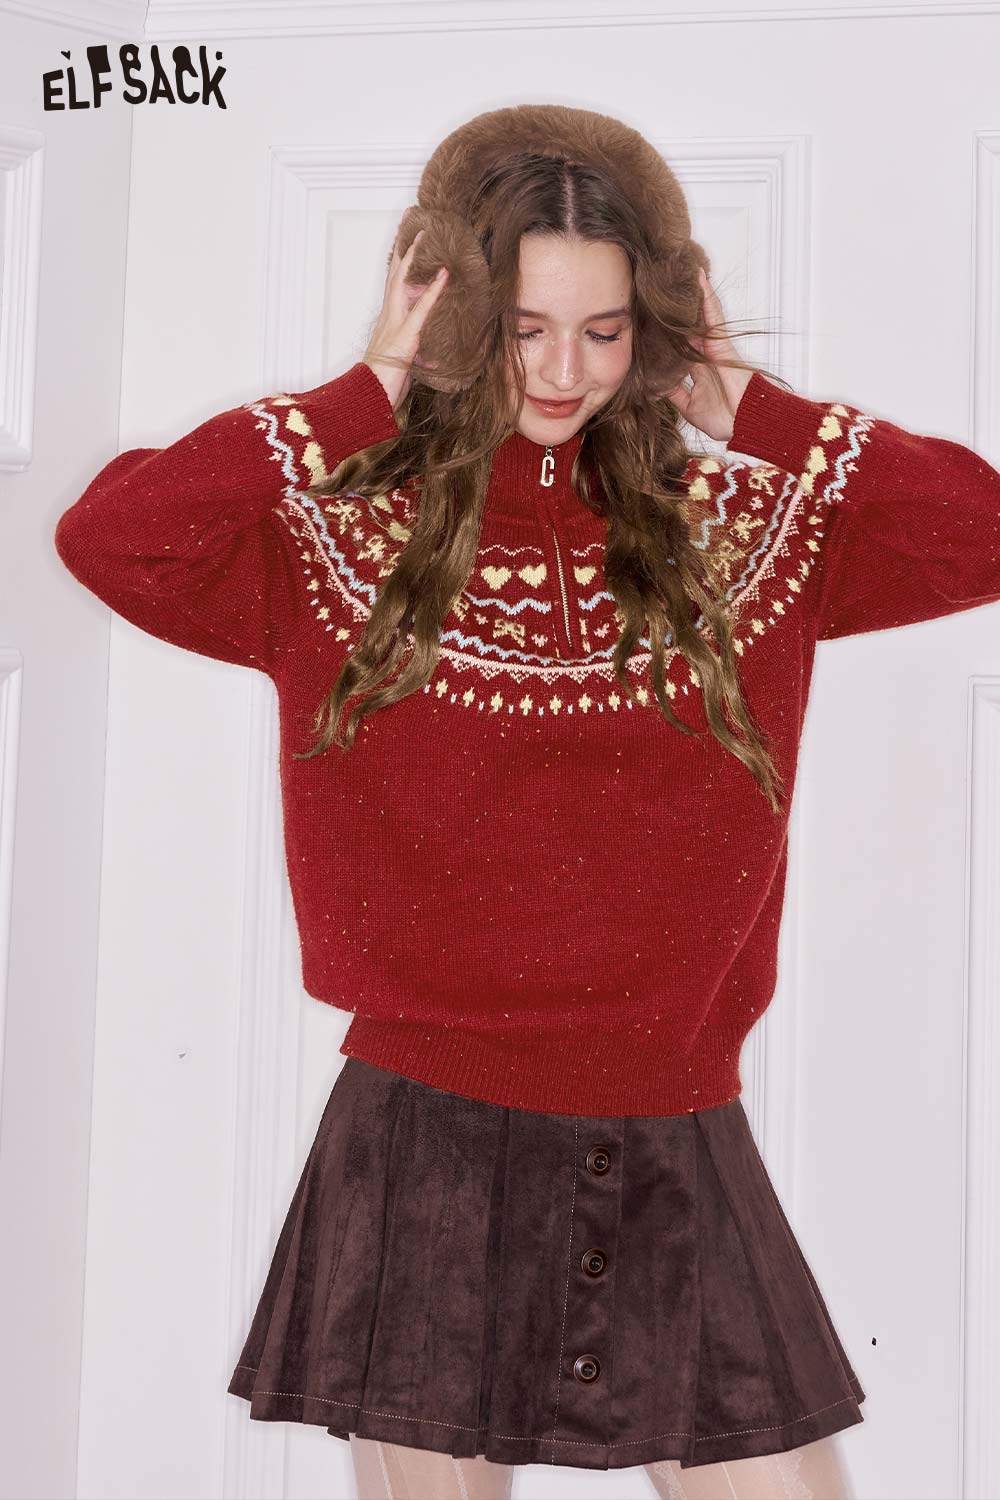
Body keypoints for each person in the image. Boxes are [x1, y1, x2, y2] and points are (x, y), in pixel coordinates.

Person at [53, 103, 1000, 1499]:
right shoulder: (343, 538)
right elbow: (112, 536)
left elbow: (982, 531)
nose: (565, 371)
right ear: (459, 316)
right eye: (522, 329)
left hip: (675, 1125)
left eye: (605, 331)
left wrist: (752, 409)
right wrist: (366, 391)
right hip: (426, 1134)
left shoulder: (741, 538)